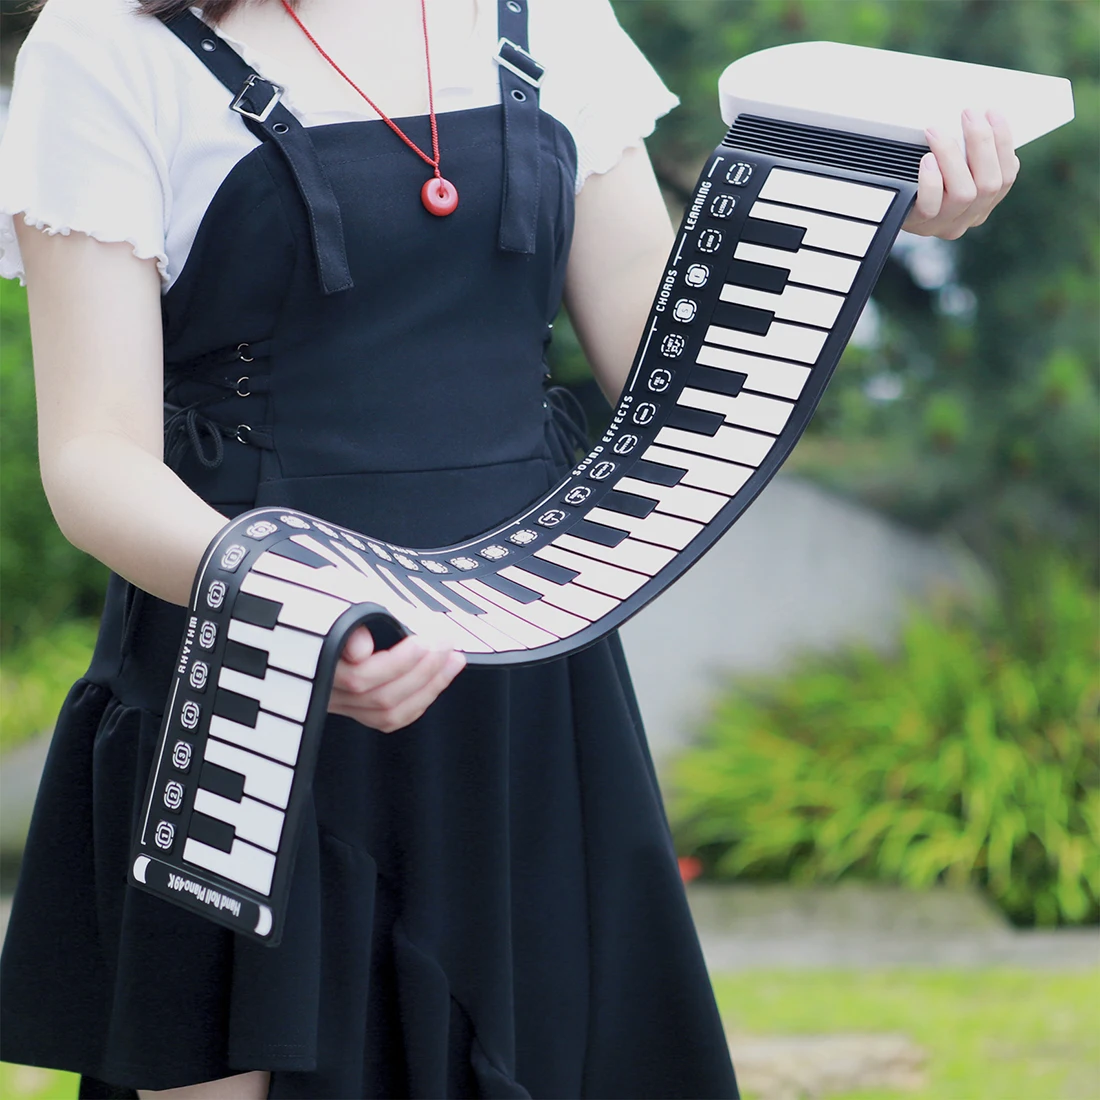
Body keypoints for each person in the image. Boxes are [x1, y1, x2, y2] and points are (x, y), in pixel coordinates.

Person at [0, 0, 1018, 1096]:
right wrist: (304, 614)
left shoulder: (552, 12)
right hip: (257, 682)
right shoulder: (103, 42)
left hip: (530, 672)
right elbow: (95, 460)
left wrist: (856, 206)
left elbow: (671, 371)